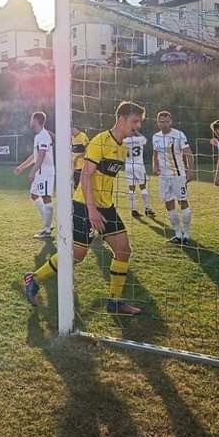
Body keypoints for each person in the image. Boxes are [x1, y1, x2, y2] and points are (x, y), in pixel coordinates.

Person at [24, 102, 146, 315]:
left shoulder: (122, 147)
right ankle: (34, 278)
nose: (137, 126)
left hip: (106, 207)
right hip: (84, 205)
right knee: (76, 256)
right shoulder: (100, 141)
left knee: (123, 250)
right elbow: (86, 176)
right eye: (135, 121)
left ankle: (114, 302)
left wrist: (102, 207)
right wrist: (91, 210)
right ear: (121, 119)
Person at [152, 110, 194, 244]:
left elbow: (188, 153)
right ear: (158, 122)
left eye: (166, 122)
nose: (164, 125)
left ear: (171, 121)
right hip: (164, 177)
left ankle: (186, 234)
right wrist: (155, 166)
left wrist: (190, 170)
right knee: (168, 203)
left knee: (183, 202)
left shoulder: (179, 135)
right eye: (161, 122)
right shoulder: (155, 137)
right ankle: (178, 234)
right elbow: (155, 154)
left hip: (178, 176)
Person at [14, 111, 55, 239]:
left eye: (32, 119)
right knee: (34, 195)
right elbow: (35, 156)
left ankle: (47, 230)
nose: (30, 121)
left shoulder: (43, 135)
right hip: (40, 172)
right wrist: (22, 167)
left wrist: (32, 171)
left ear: (36, 120)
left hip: (45, 173)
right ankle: (48, 223)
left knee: (46, 197)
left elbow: (41, 156)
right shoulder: (39, 136)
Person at [124, 128, 154, 219]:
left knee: (131, 189)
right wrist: (136, 132)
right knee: (143, 187)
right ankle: (147, 208)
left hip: (129, 166)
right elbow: (145, 140)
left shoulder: (124, 141)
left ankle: (133, 210)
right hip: (139, 166)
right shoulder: (140, 139)